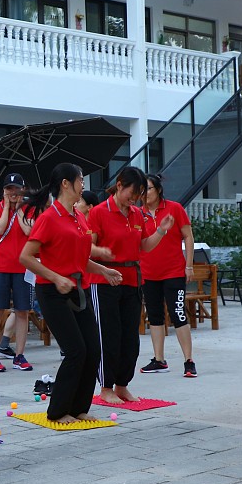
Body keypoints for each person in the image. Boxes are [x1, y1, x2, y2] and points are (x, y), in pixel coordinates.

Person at [19, 163, 121, 424]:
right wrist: (55, 277)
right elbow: (26, 257)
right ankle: (57, 411)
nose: (83, 184)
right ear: (66, 183)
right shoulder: (48, 218)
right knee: (75, 350)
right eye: (80, 180)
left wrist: (104, 270)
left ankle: (78, 408)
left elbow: (80, 257)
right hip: (52, 291)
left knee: (92, 349)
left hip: (78, 290)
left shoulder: (79, 217)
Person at [88, 167, 174, 405]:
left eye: (139, 194)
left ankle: (122, 385)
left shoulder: (137, 214)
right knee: (109, 334)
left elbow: (144, 246)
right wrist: (102, 254)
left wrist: (161, 231)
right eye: (131, 192)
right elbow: (87, 247)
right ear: (119, 185)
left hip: (132, 279)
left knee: (130, 338)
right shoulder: (98, 212)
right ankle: (105, 387)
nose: (134, 198)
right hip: (104, 279)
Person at [138, 173, 198, 378]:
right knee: (154, 315)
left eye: (149, 189)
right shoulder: (139, 214)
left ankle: (188, 361)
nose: (145, 194)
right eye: (142, 190)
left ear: (159, 190)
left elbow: (188, 236)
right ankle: (159, 359)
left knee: (178, 313)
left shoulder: (174, 208)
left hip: (173, 271)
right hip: (148, 272)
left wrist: (188, 265)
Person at [0, 173, 34, 373]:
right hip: (0, 267)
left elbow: (30, 232)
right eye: (9, 189)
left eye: (17, 189)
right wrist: (6, 206)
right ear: (3, 191)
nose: (13, 193)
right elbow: (0, 227)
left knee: (22, 312)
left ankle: (20, 355)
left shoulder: (29, 210)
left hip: (23, 268)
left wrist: (19, 210)